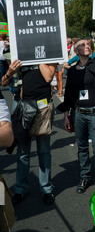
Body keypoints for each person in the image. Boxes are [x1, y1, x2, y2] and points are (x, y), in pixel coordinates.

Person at [3, 61, 57, 205]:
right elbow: (3, 82)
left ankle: (46, 189)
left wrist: (37, 58)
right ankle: (20, 189)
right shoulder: (17, 57)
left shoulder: (49, 56)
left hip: (43, 106)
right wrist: (10, 71)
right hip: (21, 104)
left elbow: (48, 77)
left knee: (44, 151)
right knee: (22, 151)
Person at [58, 38, 95, 193]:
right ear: (76, 51)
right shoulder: (73, 71)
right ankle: (84, 177)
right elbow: (69, 94)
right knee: (82, 147)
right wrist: (66, 116)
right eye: (82, 45)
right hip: (78, 114)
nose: (87, 46)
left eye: (88, 44)